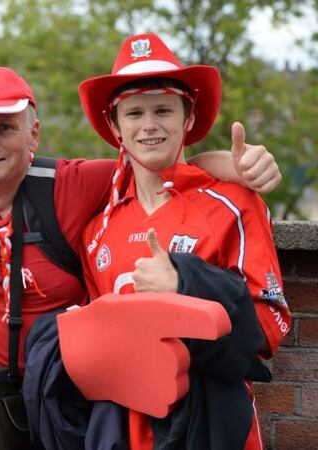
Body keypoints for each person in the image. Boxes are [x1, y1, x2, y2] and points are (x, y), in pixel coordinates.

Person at [0, 65, 280, 377]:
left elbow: (155, 162)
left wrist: (232, 166)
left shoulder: (74, 185)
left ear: (33, 135)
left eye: (4, 128)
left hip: (67, 410)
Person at [78, 33, 290, 449]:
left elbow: (270, 329)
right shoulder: (96, 230)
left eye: (163, 110)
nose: (149, 125)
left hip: (213, 428)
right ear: (115, 127)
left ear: (188, 119)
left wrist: (186, 288)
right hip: (122, 430)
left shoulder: (234, 203)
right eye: (134, 113)